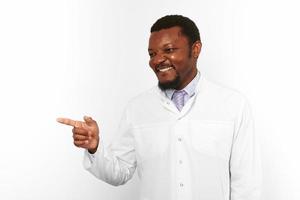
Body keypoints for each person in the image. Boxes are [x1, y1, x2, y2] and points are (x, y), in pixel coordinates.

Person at [57, 15, 261, 200]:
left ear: (195, 49)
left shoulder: (233, 105)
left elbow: (246, 186)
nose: (157, 60)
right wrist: (94, 148)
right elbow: (119, 172)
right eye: (152, 53)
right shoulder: (137, 109)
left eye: (169, 50)